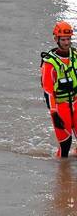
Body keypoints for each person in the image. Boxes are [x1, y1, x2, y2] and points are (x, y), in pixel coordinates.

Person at [41, 21, 77, 157]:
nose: (66, 43)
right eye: (63, 40)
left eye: (68, 39)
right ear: (56, 39)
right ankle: (63, 173)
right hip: (61, 107)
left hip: (76, 102)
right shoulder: (49, 63)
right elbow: (48, 91)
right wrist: (54, 113)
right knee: (65, 145)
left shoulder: (75, 55)